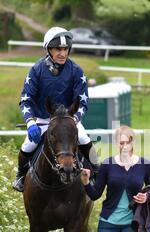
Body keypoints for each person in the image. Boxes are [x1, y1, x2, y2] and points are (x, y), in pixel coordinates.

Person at [12, 26, 98, 192]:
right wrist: (30, 122)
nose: (62, 53)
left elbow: (83, 101)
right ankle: (21, 176)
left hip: (69, 119)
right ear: (48, 49)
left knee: (85, 139)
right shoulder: (36, 70)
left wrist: (74, 120)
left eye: (65, 49)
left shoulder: (76, 71)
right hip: (44, 120)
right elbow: (25, 100)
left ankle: (96, 172)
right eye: (58, 49)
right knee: (27, 146)